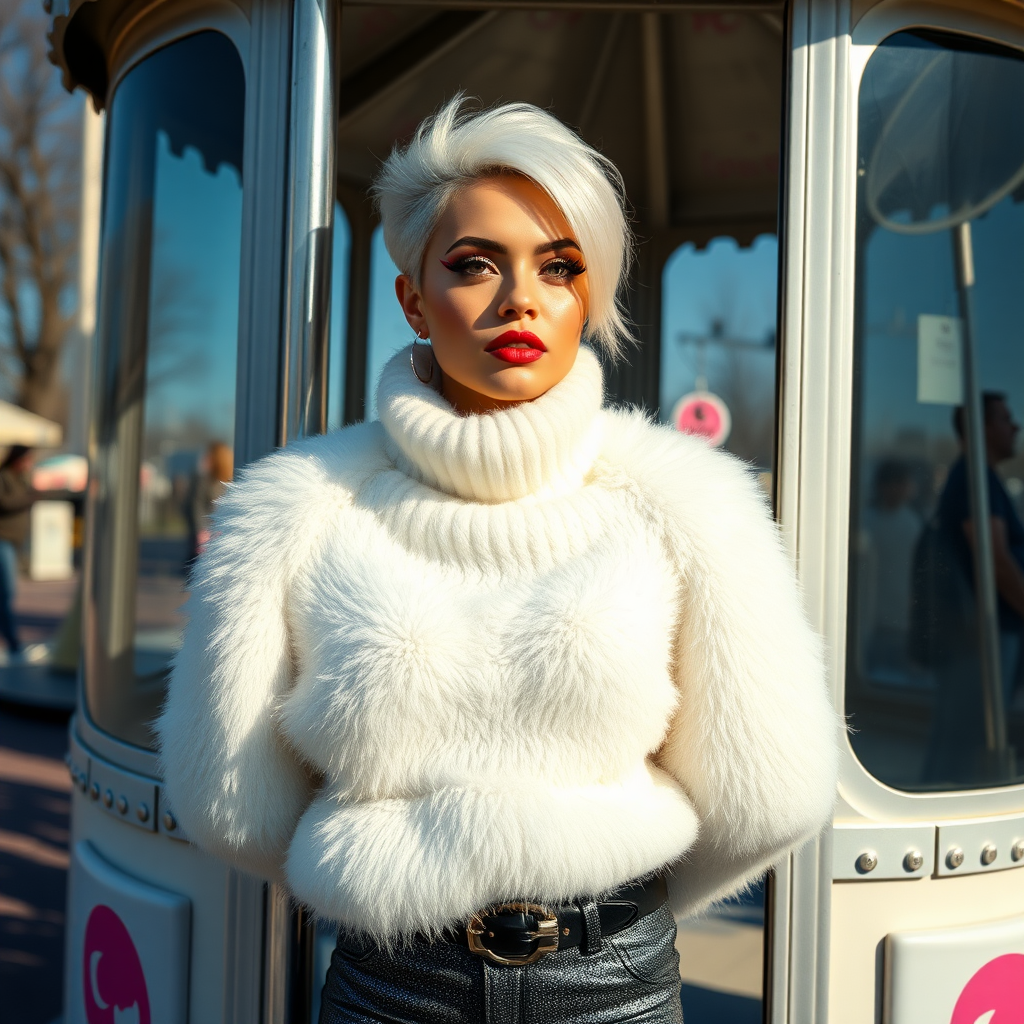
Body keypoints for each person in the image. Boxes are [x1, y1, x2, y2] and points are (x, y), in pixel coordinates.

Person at [158, 99, 838, 1024]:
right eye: (475, 264)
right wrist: (392, 895)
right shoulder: (295, 508)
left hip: (614, 988)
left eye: (559, 269)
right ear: (410, 297)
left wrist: (612, 908)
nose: (521, 298)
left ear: (585, 299)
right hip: (394, 986)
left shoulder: (688, 500)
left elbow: (770, 793)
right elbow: (229, 800)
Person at [924, 392, 1024, 783]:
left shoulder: (983, 479)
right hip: (983, 638)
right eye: (1005, 418)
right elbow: (995, 560)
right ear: (981, 428)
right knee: (961, 744)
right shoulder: (973, 480)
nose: (1015, 427)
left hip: (988, 636)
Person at [0, 445, 38, 663]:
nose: (29, 463)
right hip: (2, 540)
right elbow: (6, 502)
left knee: (7, 593)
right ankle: (14, 644)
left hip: (14, 542)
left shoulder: (22, 479)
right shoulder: (4, 477)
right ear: (17, 458)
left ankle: (13, 643)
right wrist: (30, 497)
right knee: (7, 593)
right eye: (27, 459)